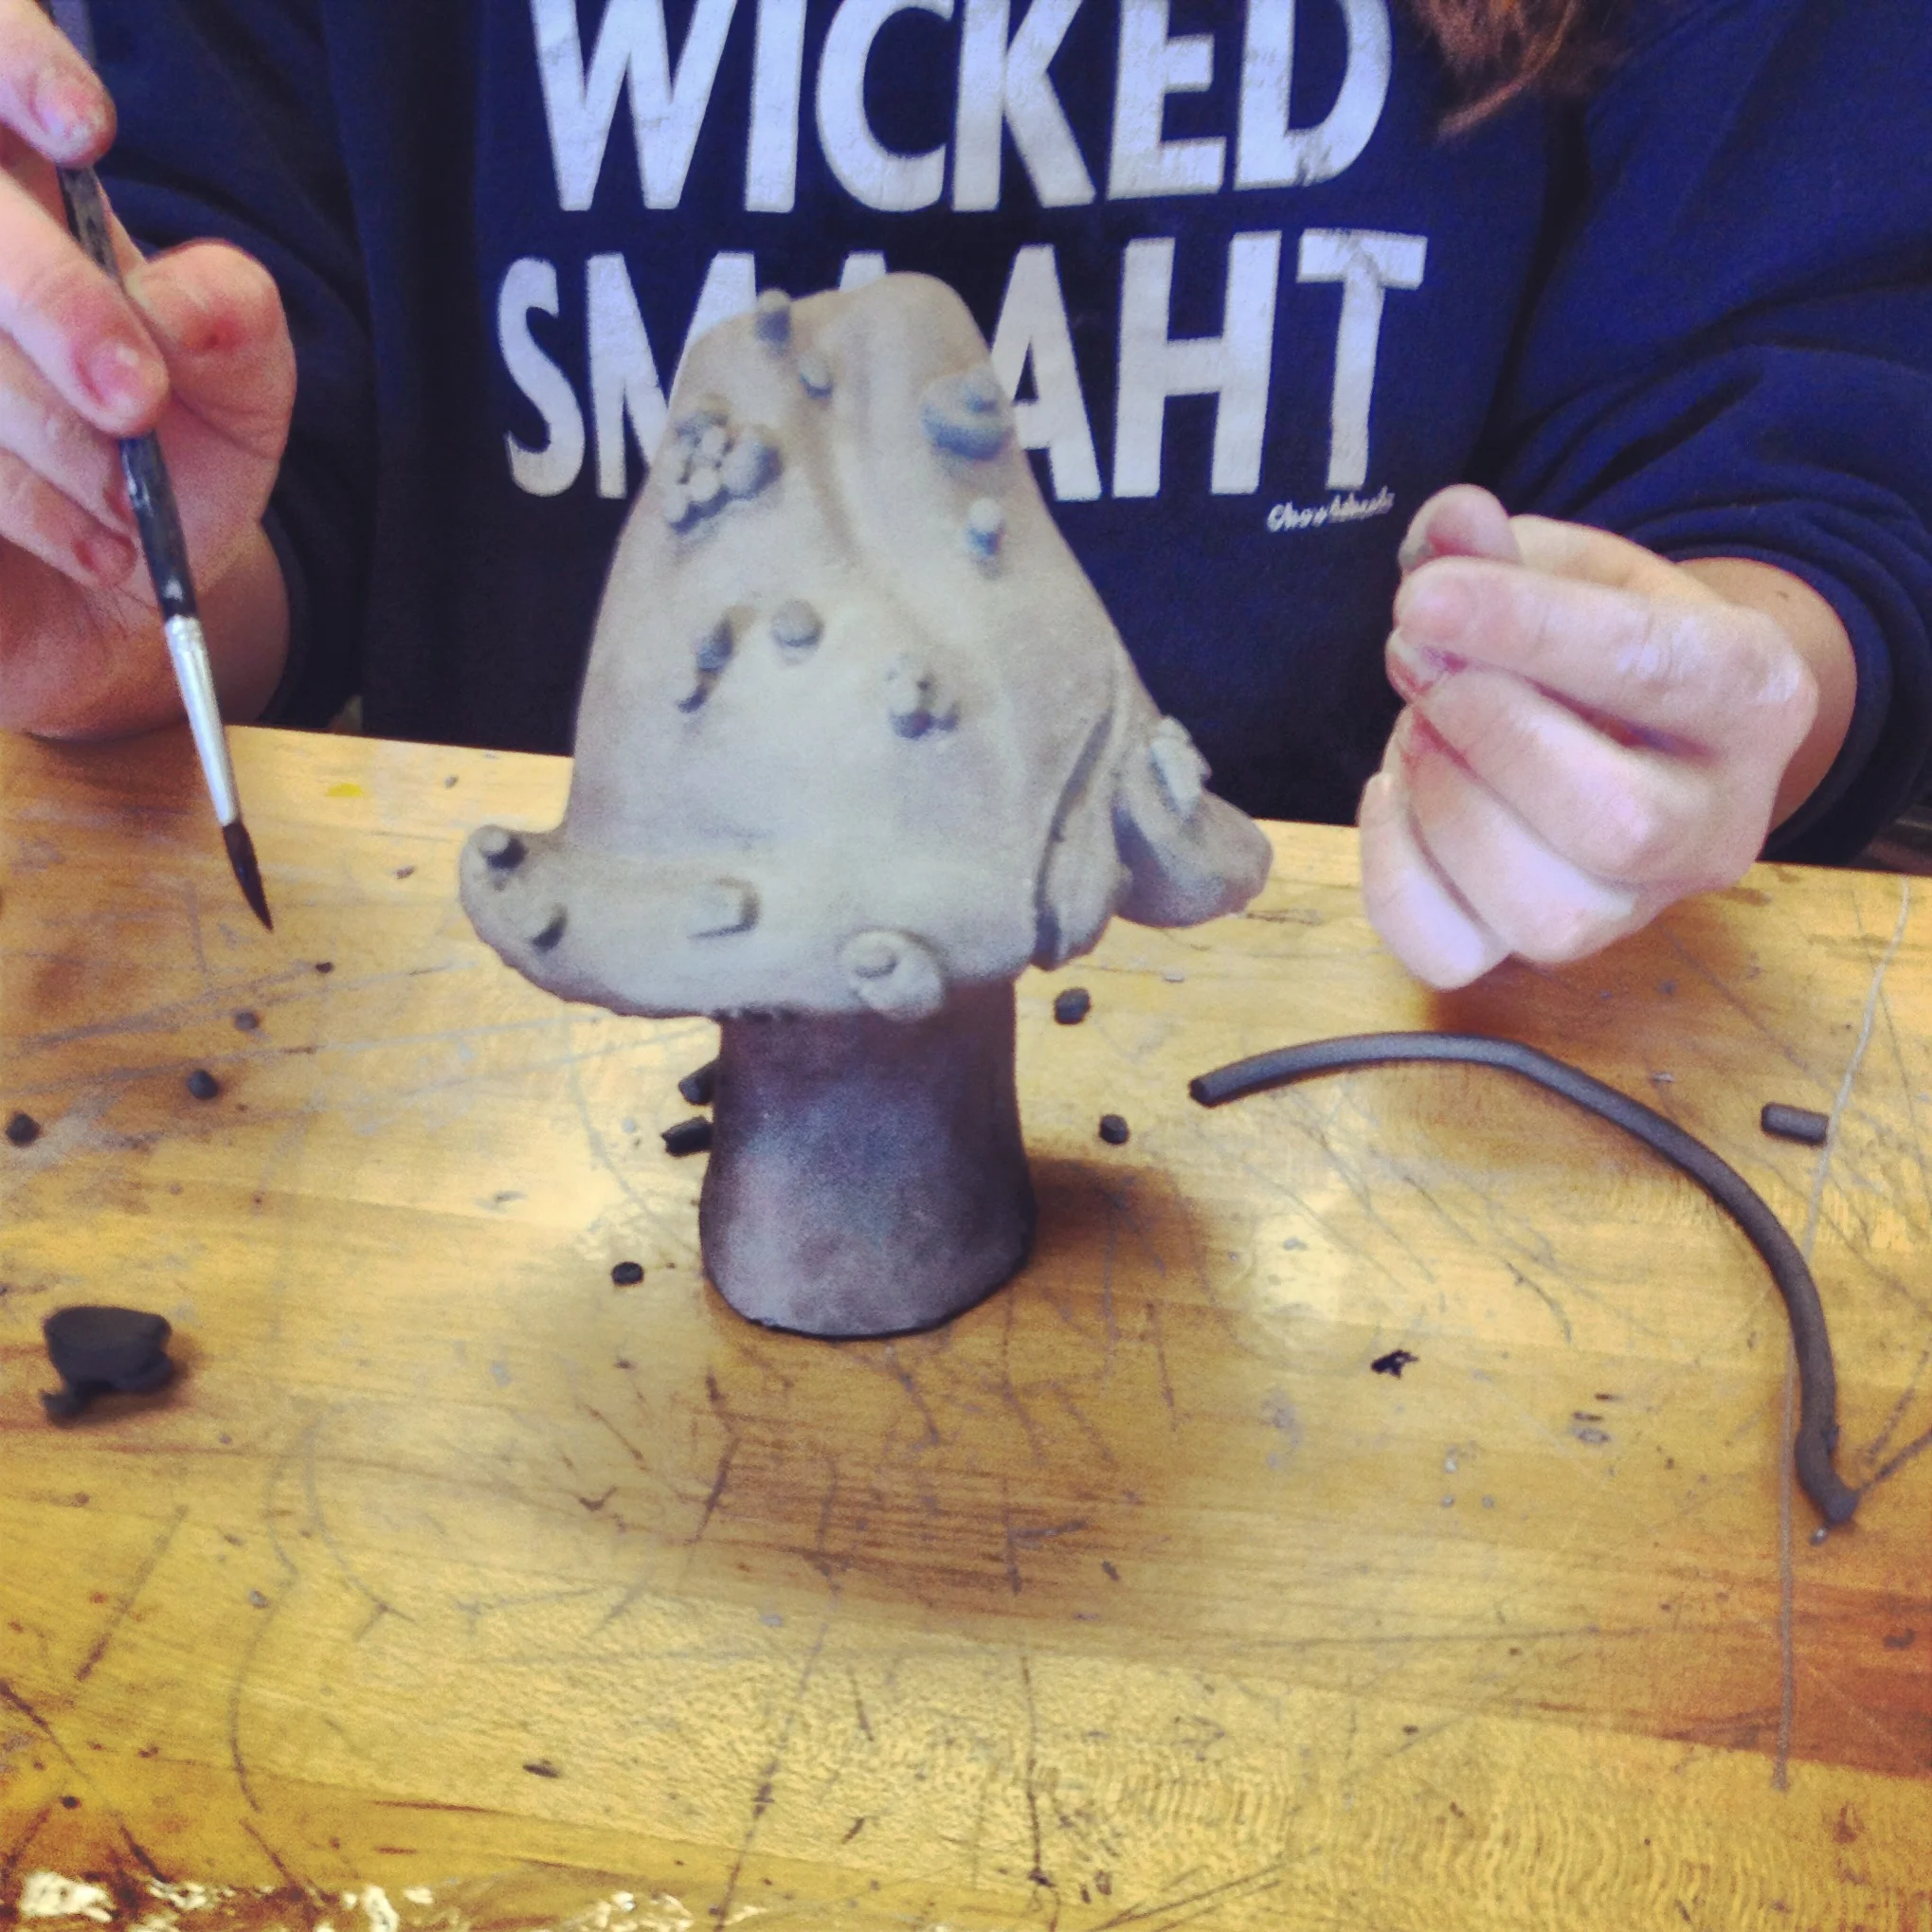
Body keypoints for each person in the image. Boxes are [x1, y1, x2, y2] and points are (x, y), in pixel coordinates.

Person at [0, 0, 1926, 988]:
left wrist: (1714, 675)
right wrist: (103, 550)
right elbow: (237, 424)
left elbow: (1788, 408)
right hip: (491, 1112)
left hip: (1414, 1029)